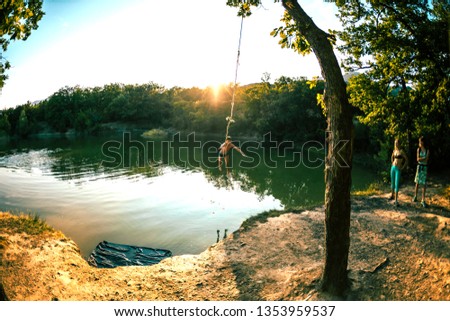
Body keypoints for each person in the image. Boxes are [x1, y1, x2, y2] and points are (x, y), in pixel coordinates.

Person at [389, 138, 408, 206]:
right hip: (393, 167)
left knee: (397, 183)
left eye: (397, 143)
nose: (396, 144)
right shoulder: (394, 151)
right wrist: (392, 163)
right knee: (392, 182)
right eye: (395, 143)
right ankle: (392, 195)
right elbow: (392, 157)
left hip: (398, 168)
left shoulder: (401, 151)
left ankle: (396, 200)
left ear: (399, 144)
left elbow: (406, 160)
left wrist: (402, 167)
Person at [412, 136, 429, 207]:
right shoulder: (418, 150)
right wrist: (423, 158)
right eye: (419, 141)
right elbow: (417, 159)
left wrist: (422, 159)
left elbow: (427, 159)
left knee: (424, 184)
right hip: (419, 167)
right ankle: (415, 196)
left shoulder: (427, 150)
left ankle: (423, 199)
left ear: (423, 142)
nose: (419, 143)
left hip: (424, 168)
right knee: (417, 182)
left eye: (420, 141)